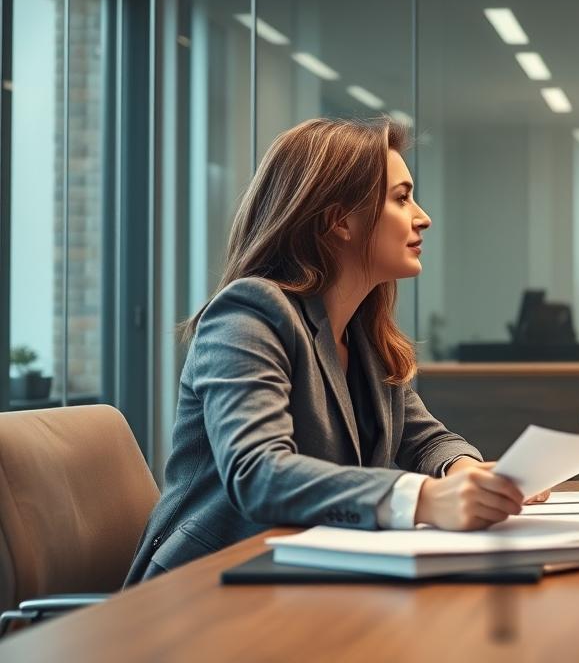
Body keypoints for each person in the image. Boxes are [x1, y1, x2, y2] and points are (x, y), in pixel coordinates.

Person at [127, 117, 544, 583]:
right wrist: (423, 499)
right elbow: (258, 473)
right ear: (340, 220)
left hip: (306, 577)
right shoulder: (249, 313)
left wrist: (465, 473)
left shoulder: (361, 333)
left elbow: (425, 440)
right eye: (401, 198)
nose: (422, 217)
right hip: (204, 587)